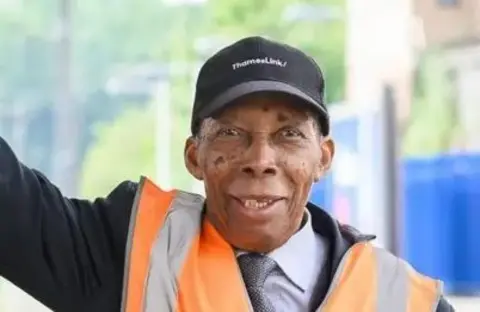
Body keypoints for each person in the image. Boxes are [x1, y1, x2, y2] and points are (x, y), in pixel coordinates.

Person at [0, 36, 454, 312]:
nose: (260, 158)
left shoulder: (404, 302)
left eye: (289, 135)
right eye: (233, 133)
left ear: (324, 157)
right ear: (194, 156)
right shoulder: (128, 253)